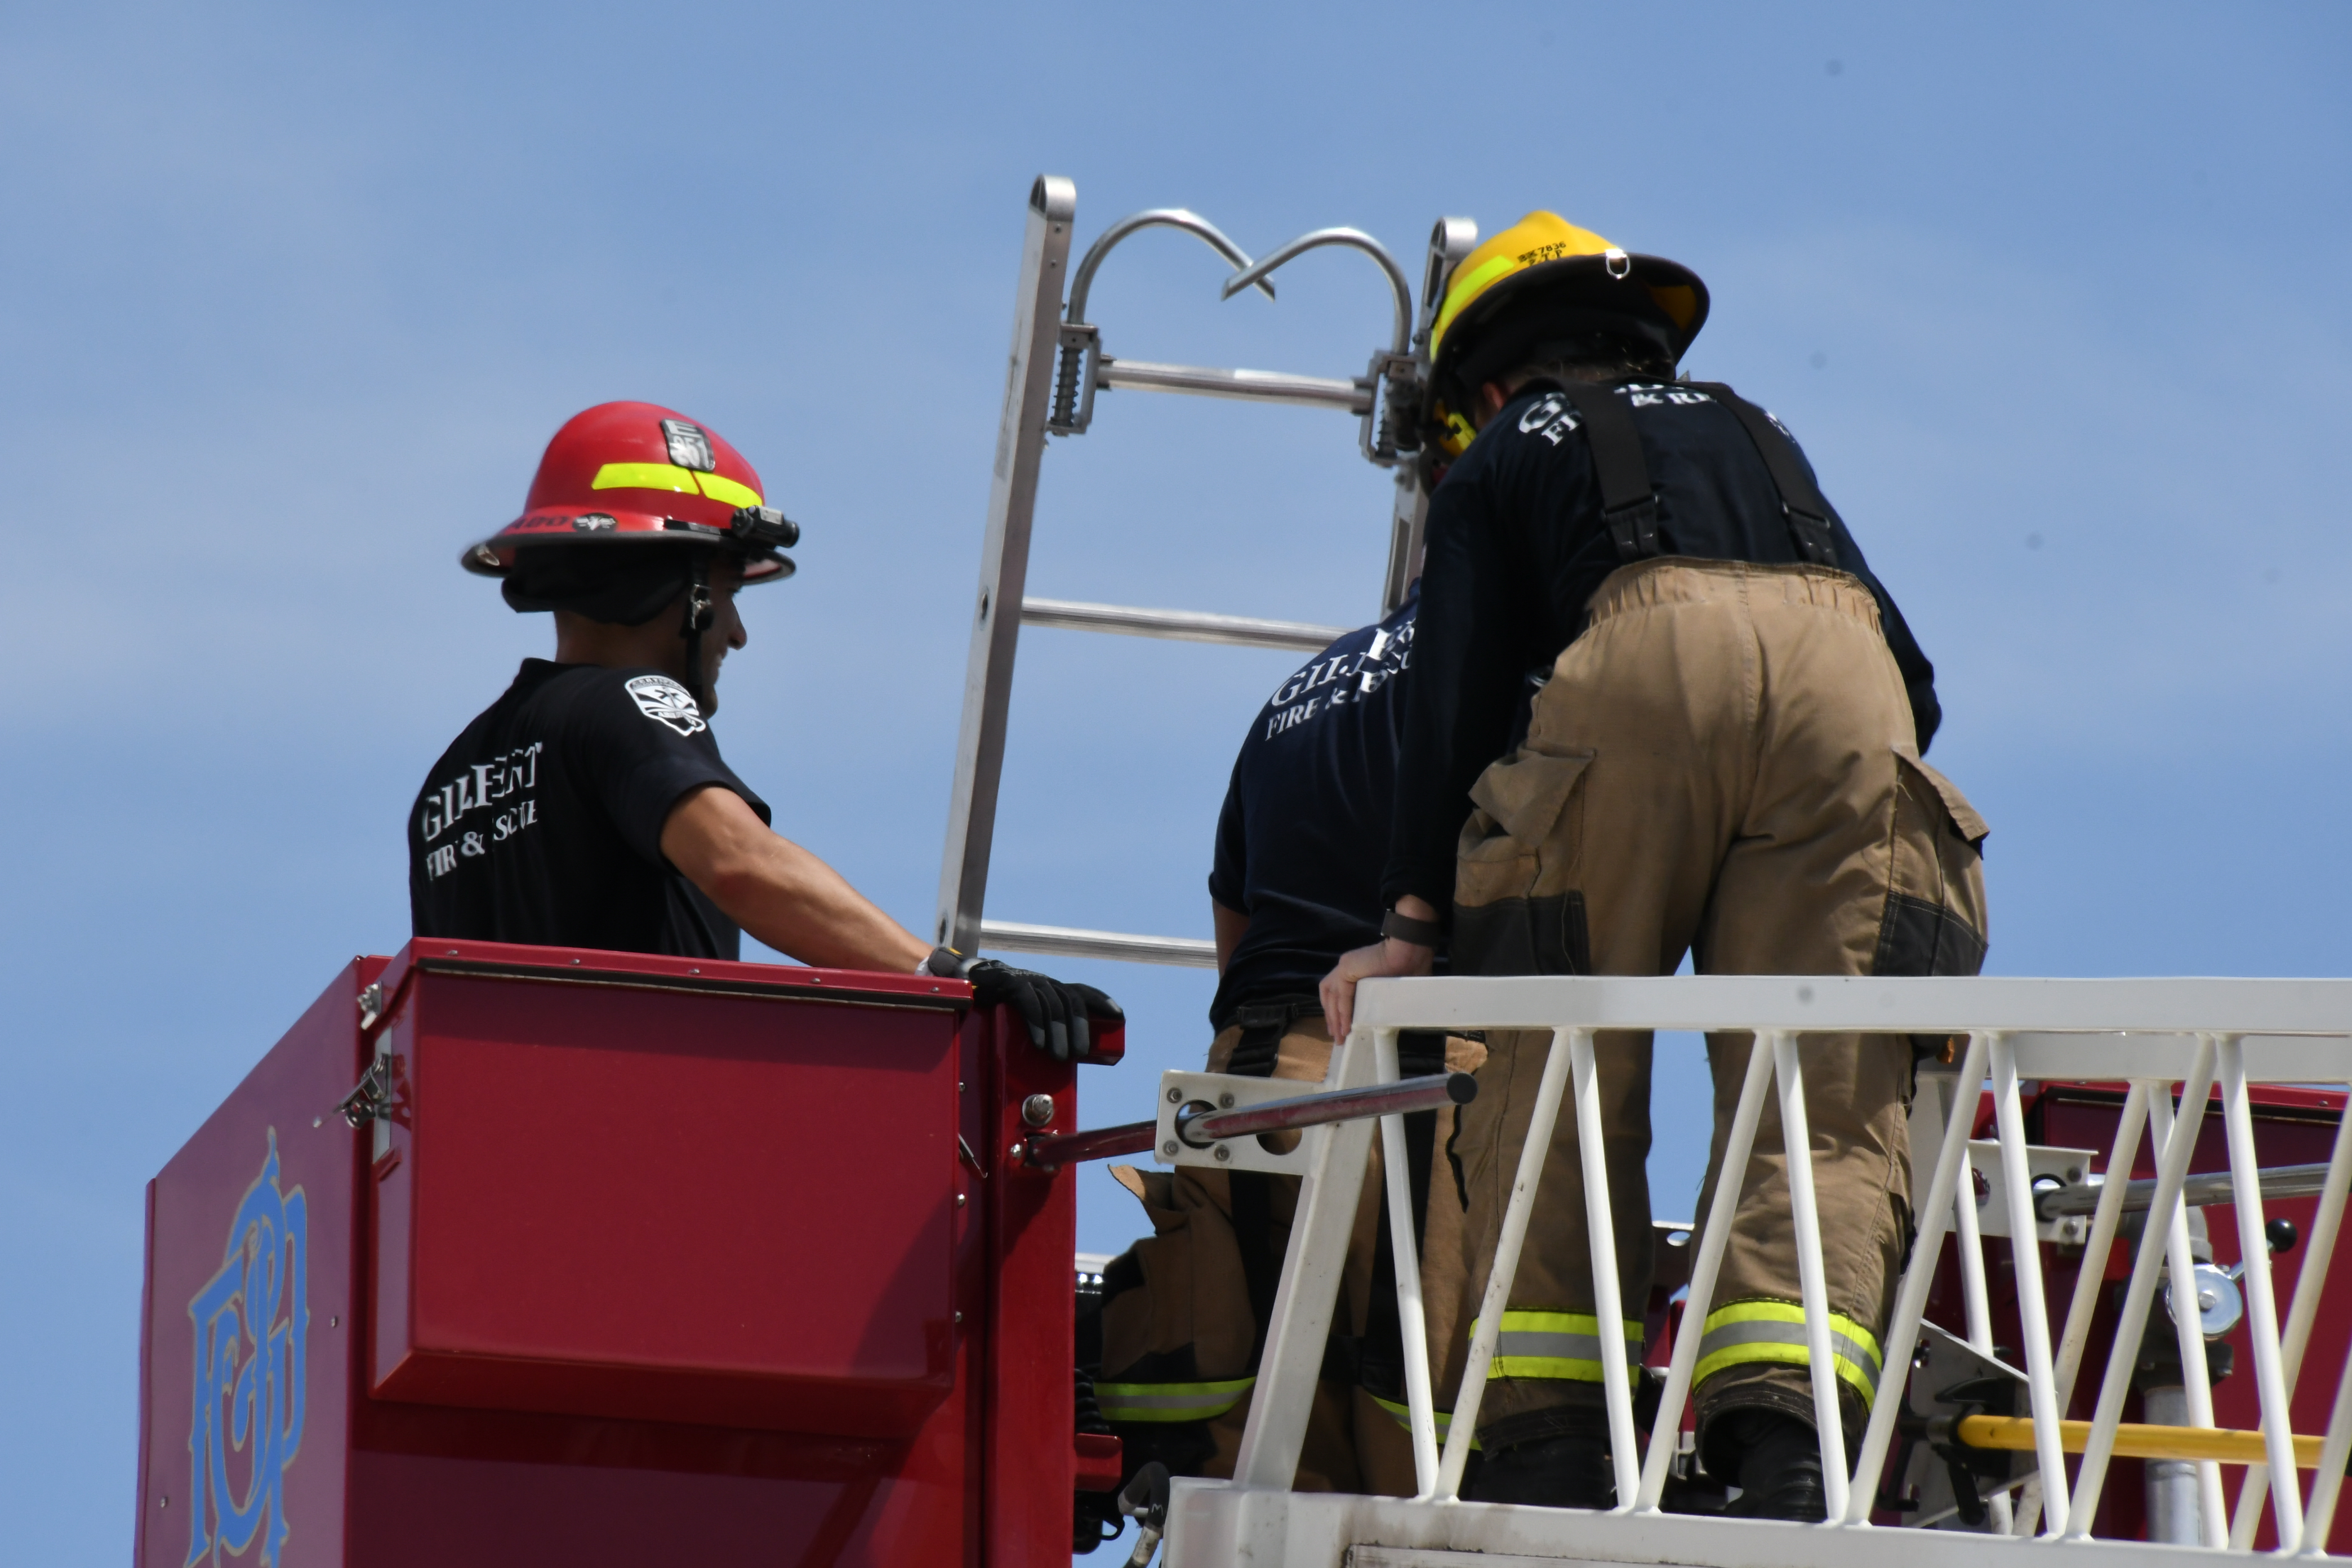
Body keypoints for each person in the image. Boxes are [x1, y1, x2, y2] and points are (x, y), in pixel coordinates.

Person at [1320, 213, 1989, 1518]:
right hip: (1850, 694)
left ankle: (1557, 1438)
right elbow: (1911, 681)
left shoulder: (1507, 449)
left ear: (1487, 389)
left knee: (1549, 1059)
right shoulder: (1756, 429)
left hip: (1636, 663)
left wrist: (1411, 919)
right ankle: (1789, 1444)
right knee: (1822, 1085)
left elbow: (1453, 694)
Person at [412, 399, 1117, 1055]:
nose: (738, 634)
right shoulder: (630, 700)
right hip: (638, 1124)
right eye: (728, 593)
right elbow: (739, 862)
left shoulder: (446, 786)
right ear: (673, 585)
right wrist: (946, 975)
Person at [1088, 591, 1487, 1501]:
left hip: (1249, 1086)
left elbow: (1235, 911)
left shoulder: (1301, 691)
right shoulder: (1510, 663)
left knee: (1258, 1472)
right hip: (1420, 1084)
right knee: (1427, 1481)